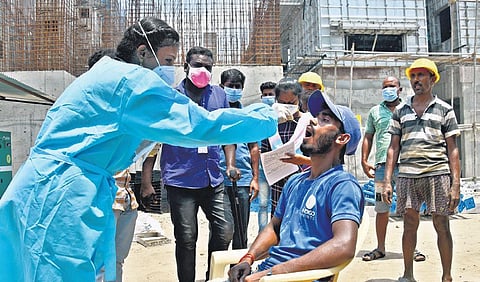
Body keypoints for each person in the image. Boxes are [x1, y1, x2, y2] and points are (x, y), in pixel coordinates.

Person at [0, 18, 277, 282]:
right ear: (143, 52)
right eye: (167, 61)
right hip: (61, 196)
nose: (168, 69)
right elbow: (200, 126)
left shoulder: (107, 74)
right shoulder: (131, 82)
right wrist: (268, 116)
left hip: (44, 188)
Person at [228, 90, 364, 282]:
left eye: (325, 120)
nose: (312, 121)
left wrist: (275, 273)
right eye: (315, 116)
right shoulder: (295, 181)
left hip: (297, 277)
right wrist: (248, 259)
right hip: (267, 272)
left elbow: (344, 246)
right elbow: (275, 227)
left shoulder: (342, 185)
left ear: (341, 138)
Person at [158, 46, 242, 282]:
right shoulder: (171, 97)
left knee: (225, 229)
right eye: (197, 65)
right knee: (186, 237)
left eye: (208, 67)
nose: (202, 70)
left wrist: (230, 163)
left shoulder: (219, 95)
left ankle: (211, 278)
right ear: (186, 67)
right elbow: (157, 137)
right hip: (180, 178)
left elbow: (226, 135)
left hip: (212, 177)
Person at [383, 58, 461, 282]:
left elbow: (453, 150)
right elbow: (393, 148)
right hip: (408, 175)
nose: (416, 80)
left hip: (437, 173)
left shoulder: (445, 110)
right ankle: (408, 274)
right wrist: (387, 181)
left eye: (421, 75)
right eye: (413, 76)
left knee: (441, 223)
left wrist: (455, 185)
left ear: (433, 79)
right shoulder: (401, 110)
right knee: (409, 224)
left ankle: (446, 276)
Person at [87, 48, 141, 282]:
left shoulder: (122, 108)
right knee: (100, 262)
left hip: (125, 197)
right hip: (104, 198)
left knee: (117, 260)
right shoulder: (89, 110)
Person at [361, 76, 426, 263]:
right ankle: (380, 248)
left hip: (406, 165)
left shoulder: (410, 109)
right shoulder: (375, 112)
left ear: (400, 89)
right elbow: (368, 136)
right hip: (382, 167)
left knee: (410, 208)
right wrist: (364, 160)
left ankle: (412, 248)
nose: (388, 89)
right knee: (382, 209)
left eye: (392, 86)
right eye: (385, 87)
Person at [219, 68, 259, 249]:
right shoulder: (216, 114)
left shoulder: (247, 116)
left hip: (242, 179)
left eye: (238, 86)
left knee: (241, 230)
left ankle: (238, 271)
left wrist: (255, 178)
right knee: (221, 230)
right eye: (230, 86)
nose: (234, 89)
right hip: (218, 179)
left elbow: (254, 148)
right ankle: (214, 270)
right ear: (222, 87)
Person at [261, 78, 303, 215]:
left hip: (304, 183)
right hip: (279, 184)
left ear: (299, 99)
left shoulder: (308, 123)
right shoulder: (273, 125)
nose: (287, 106)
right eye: (283, 103)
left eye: (291, 103)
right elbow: (265, 152)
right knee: (278, 221)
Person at [256, 81, 276, 232]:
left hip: (278, 166)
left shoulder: (282, 115)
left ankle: (275, 234)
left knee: (278, 203)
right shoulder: (257, 115)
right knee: (263, 204)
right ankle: (262, 235)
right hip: (262, 167)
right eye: (266, 95)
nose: (268, 97)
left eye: (271, 95)